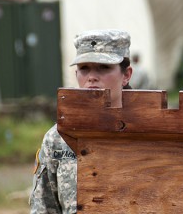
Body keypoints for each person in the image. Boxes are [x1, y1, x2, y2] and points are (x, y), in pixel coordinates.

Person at [29, 29, 133, 213]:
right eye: (84, 68)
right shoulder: (58, 138)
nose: (92, 77)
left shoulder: (148, 133)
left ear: (126, 75)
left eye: (104, 67)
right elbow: (44, 208)